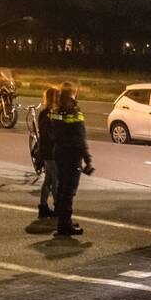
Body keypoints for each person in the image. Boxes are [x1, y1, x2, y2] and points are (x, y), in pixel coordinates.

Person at [50, 82, 93, 237]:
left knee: (62, 189)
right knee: (69, 191)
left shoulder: (56, 111)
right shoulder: (74, 112)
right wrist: (88, 159)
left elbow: (54, 133)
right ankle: (64, 225)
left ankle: (64, 221)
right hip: (72, 157)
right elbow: (80, 138)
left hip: (60, 154)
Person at [36, 86, 59, 218]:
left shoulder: (45, 113)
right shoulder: (49, 114)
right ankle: (57, 207)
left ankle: (43, 206)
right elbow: (49, 134)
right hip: (51, 152)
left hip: (47, 151)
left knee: (49, 180)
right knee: (55, 181)